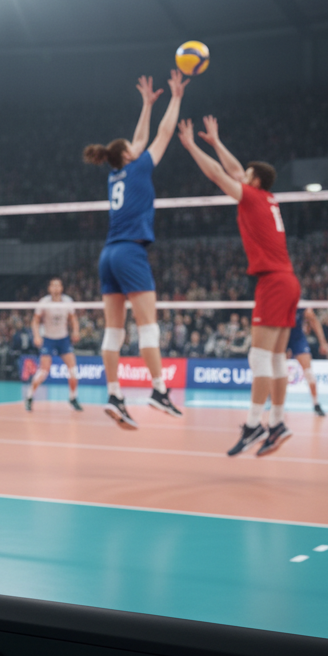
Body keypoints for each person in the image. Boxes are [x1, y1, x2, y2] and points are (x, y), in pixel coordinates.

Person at [177, 115, 300, 457]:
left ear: (254, 180)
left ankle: (253, 424)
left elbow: (219, 174)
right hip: (289, 280)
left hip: (273, 282)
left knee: (258, 358)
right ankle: (277, 423)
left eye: (246, 174)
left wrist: (192, 147)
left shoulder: (252, 198)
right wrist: (216, 142)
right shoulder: (268, 198)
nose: (240, 175)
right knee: (276, 359)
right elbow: (233, 170)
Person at [83, 69, 187, 429]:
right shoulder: (140, 167)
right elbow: (162, 134)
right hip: (130, 252)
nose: (137, 146)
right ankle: (159, 390)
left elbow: (139, 139)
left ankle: (114, 395)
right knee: (148, 328)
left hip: (108, 255)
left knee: (113, 331)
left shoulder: (115, 174)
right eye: (132, 147)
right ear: (128, 155)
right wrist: (175, 98)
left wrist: (146, 104)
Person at [26, 277, 82, 412]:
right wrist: (37, 336)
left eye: (58, 286)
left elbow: (73, 319)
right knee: (43, 372)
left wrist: (76, 331)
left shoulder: (68, 301)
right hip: (48, 339)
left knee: (73, 371)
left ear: (61, 288)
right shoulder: (44, 302)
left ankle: (73, 398)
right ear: (49, 288)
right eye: (53, 286)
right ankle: (29, 396)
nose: (56, 288)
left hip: (63, 339)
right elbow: (35, 321)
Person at [287, 307, 328, 415]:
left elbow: (313, 320)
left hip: (297, 339)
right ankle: (276, 404)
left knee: (309, 373)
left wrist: (323, 342)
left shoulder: (301, 305)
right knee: (278, 372)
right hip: (282, 336)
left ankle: (316, 404)